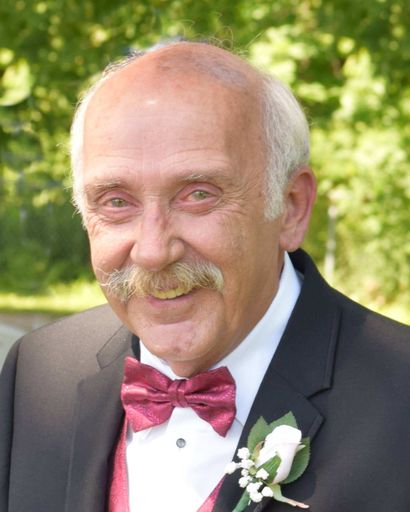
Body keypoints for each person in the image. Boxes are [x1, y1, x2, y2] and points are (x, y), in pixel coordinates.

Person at [0, 41, 409, 512]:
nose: (154, 251)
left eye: (198, 194)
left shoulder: (400, 395)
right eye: (116, 201)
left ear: (292, 208)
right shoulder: (39, 373)